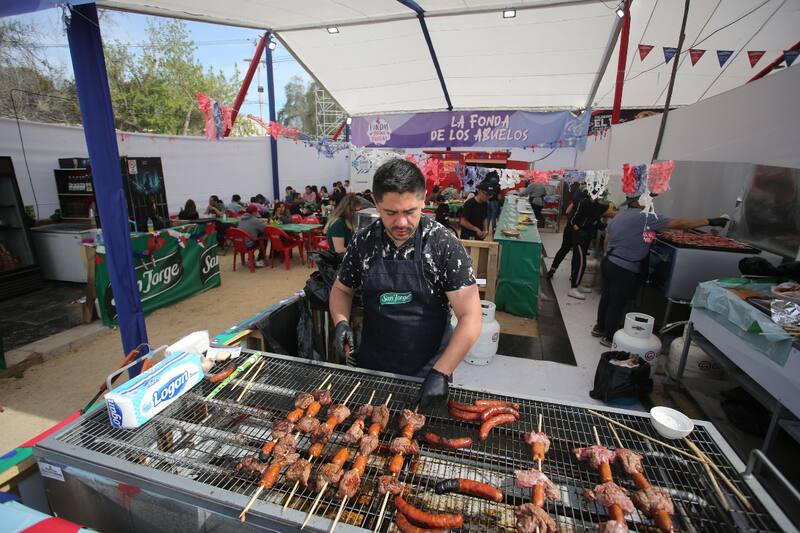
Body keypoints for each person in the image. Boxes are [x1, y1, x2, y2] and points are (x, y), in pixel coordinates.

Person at [329, 158, 482, 409]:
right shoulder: (363, 242)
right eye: (390, 213)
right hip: (372, 367)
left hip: (428, 371)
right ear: (377, 204)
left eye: (410, 212)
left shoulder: (444, 245)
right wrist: (341, 322)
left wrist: (441, 373)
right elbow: (341, 289)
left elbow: (471, 316)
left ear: (423, 201)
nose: (401, 223)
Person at [593, 195, 728, 346]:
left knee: (606, 297)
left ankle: (600, 327)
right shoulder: (645, 217)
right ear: (637, 202)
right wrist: (709, 221)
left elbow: (608, 240)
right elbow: (679, 223)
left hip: (609, 261)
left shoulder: (620, 215)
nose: (650, 201)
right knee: (617, 303)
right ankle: (610, 338)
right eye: (646, 198)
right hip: (625, 267)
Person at [563, 194, 610, 300]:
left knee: (577, 261)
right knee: (581, 263)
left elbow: (597, 222)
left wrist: (608, 227)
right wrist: (578, 230)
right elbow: (572, 218)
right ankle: (573, 289)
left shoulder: (597, 206)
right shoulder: (583, 203)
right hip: (579, 238)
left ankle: (577, 284)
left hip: (587, 238)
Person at [547, 183, 586, 279]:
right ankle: (573, 276)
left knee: (564, 249)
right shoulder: (587, 203)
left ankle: (552, 270)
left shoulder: (576, 200)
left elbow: (567, 211)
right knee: (576, 254)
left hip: (569, 227)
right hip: (578, 229)